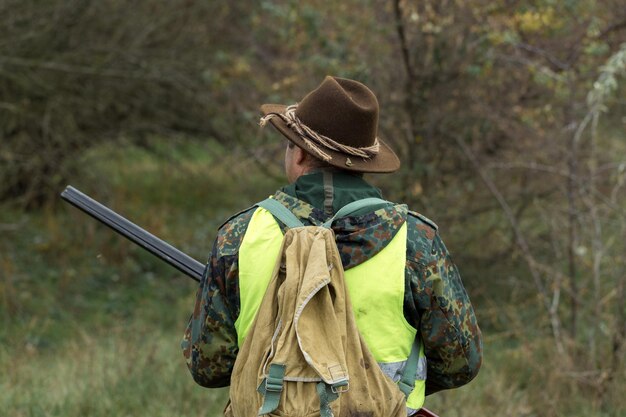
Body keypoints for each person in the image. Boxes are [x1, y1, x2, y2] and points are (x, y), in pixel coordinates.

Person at [181, 76, 482, 412]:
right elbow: (460, 363)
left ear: (298, 155)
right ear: (366, 162)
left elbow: (208, 367)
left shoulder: (239, 235)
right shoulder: (415, 240)